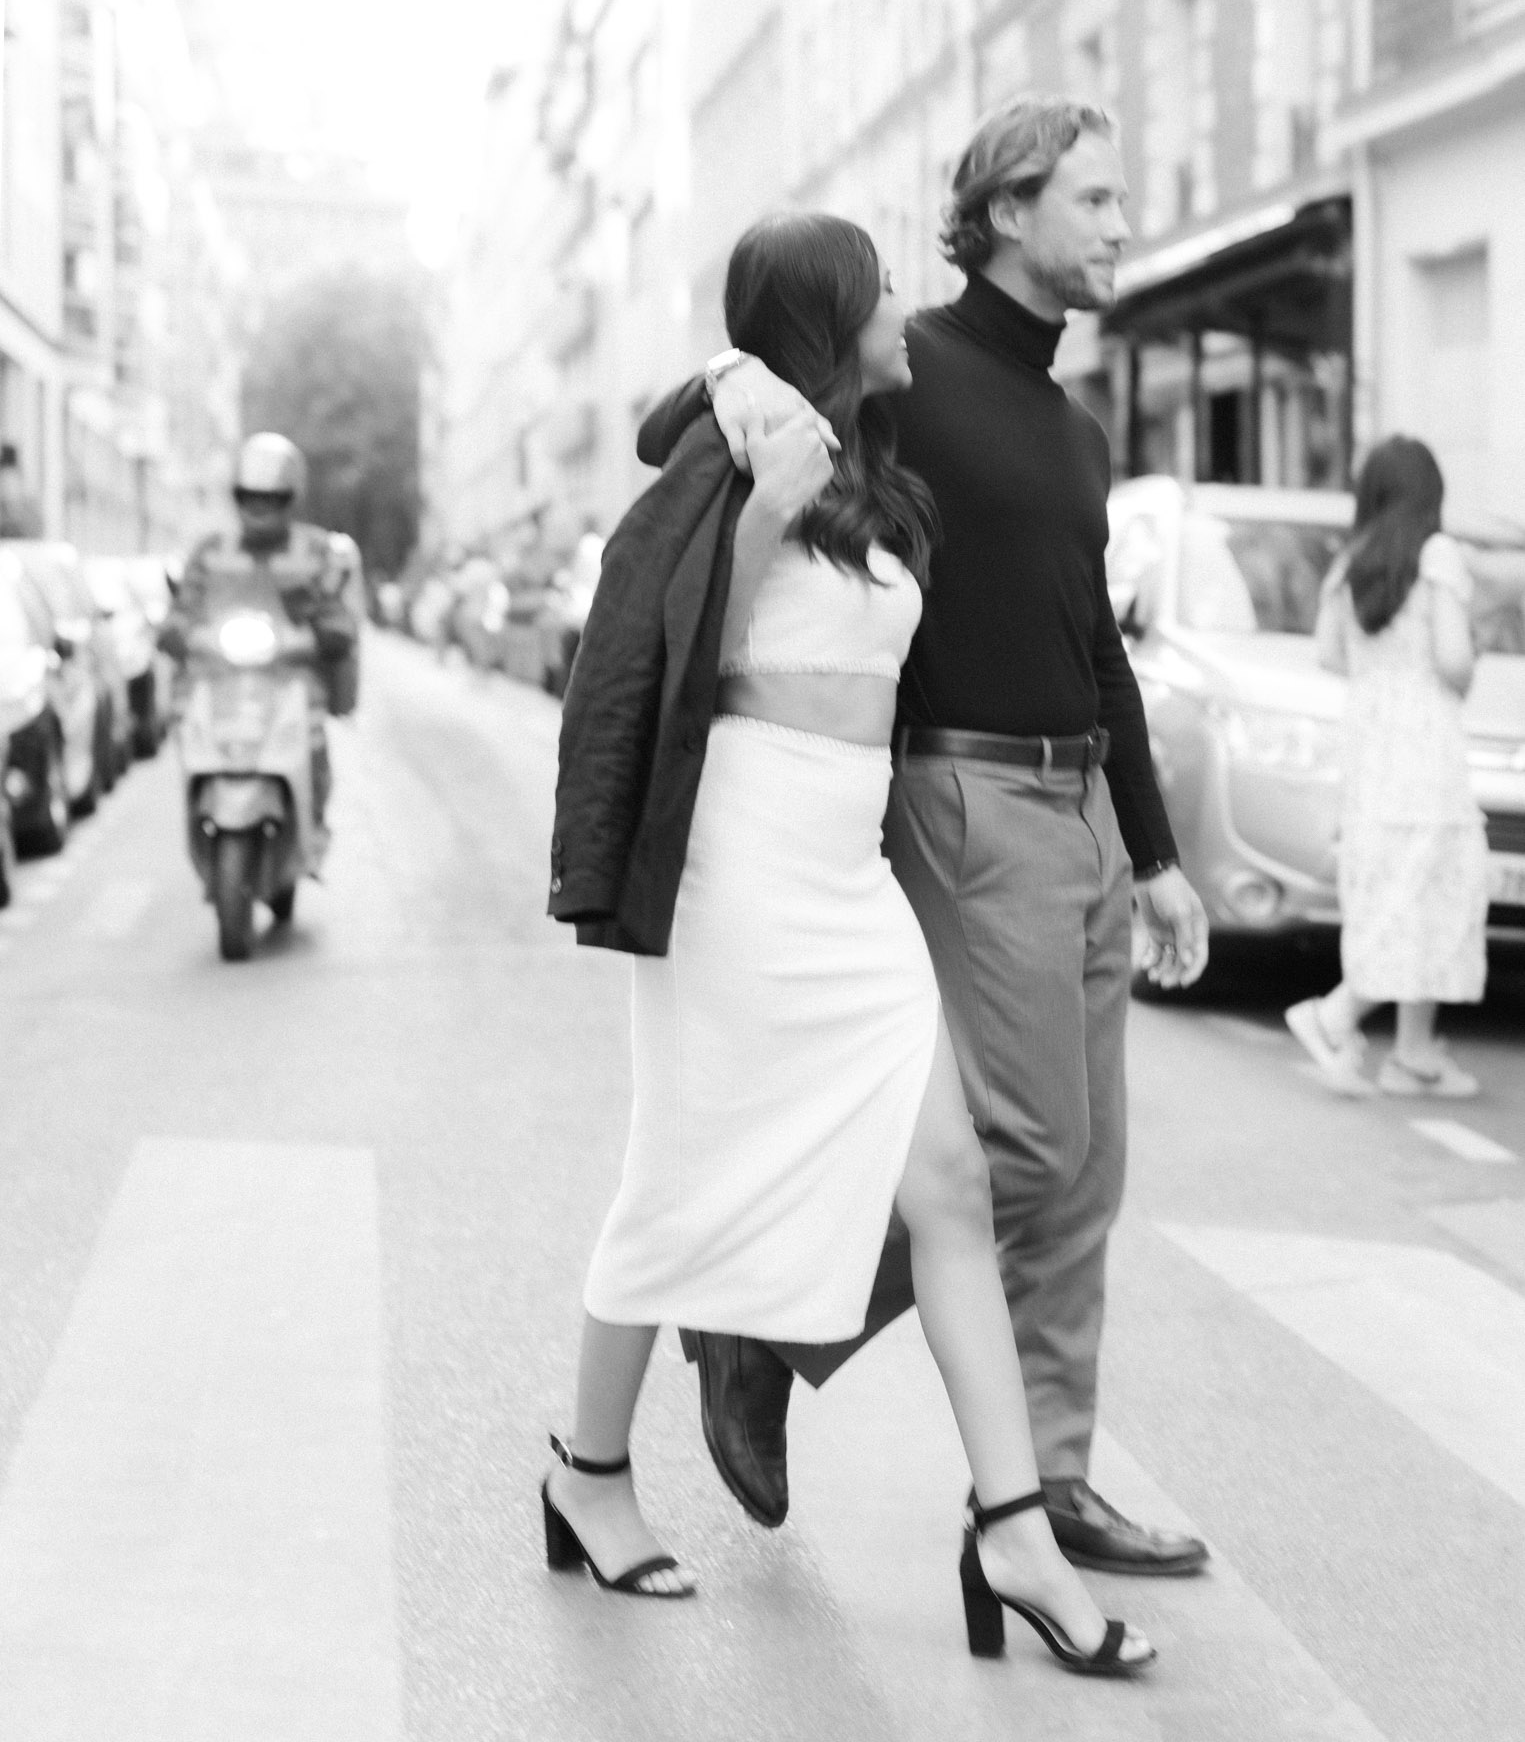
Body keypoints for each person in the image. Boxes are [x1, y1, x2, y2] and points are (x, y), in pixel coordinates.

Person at [543, 213, 1155, 1677]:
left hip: (846, 868)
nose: (906, 311)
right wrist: (751, 461)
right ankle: (589, 1468)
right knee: (679, 1171)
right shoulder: (740, 454)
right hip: (737, 863)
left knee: (949, 1180)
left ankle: (1012, 1532)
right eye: (880, 293)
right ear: (830, 318)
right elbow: (670, 630)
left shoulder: (890, 462)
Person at [639, 94, 1211, 1577]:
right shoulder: (915, 373)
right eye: (1093, 196)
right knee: (1018, 1149)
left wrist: (1151, 855)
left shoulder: (1076, 431)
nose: (1120, 222)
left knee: (1081, 1175)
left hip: (1077, 799)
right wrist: (726, 370)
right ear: (1009, 211)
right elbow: (729, 404)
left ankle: (1051, 1489)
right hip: (962, 794)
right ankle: (767, 1336)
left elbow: (1100, 648)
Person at [1285, 437, 1484, 1099]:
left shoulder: (1349, 565)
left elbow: (1326, 656)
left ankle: (1413, 1053)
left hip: (1370, 747)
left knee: (1398, 889)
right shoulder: (1435, 556)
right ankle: (1331, 1014)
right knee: (1428, 889)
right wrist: (1454, 661)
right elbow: (1453, 660)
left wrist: (1382, 674)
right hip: (1425, 745)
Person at [160, 432, 360, 825]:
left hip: (293, 683)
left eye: (271, 498)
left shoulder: (315, 549)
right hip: (220, 683)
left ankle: (312, 819)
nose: (260, 507)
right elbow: (184, 607)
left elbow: (338, 614)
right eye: (251, 497)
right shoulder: (211, 549)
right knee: (188, 732)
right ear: (237, 497)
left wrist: (325, 628)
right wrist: (178, 631)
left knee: (313, 736)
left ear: (290, 498)